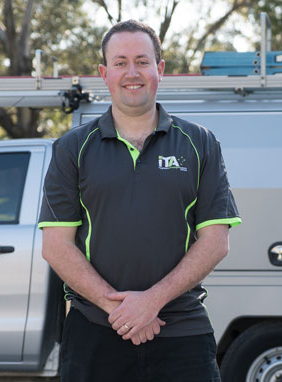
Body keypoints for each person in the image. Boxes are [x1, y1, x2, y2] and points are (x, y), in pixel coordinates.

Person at [38, 19, 241, 382]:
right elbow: (56, 246)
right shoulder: (71, 149)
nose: (132, 72)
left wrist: (151, 302)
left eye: (142, 61)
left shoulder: (200, 143)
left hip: (182, 329)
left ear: (159, 69)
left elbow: (216, 242)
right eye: (120, 62)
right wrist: (120, 309)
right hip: (95, 329)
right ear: (105, 73)